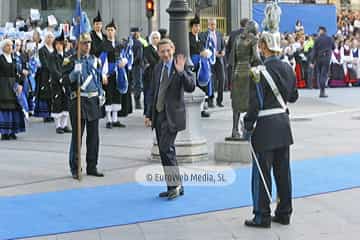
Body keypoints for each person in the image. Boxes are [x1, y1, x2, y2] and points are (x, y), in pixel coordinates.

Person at [243, 2, 298, 228]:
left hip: (264, 127)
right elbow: (293, 97)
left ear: (264, 47)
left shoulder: (258, 72)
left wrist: (247, 125)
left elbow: (254, 105)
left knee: (261, 174)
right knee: (283, 172)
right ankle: (284, 213)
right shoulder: (288, 68)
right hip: (283, 125)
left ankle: (262, 215)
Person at [144, 38, 195, 200]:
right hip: (158, 115)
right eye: (162, 51)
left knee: (167, 148)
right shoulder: (158, 67)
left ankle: (177, 185)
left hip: (172, 116)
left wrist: (181, 72)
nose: (165, 54)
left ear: (173, 50)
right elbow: (153, 91)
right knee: (163, 151)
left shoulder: (180, 65)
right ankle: (172, 185)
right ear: (158, 53)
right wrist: (148, 114)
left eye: (168, 50)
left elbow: (191, 86)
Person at [68, 33, 105, 180]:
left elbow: (97, 79)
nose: (87, 45)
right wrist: (73, 73)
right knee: (77, 137)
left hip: (93, 100)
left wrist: (101, 93)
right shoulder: (70, 60)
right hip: (79, 100)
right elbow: (64, 81)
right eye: (84, 43)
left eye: (89, 42)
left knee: (94, 137)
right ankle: (75, 167)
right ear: (78, 44)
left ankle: (92, 166)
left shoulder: (94, 60)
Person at [227, 20, 260, 140]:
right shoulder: (253, 39)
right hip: (248, 72)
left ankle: (234, 130)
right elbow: (256, 57)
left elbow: (232, 60)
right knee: (250, 101)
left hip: (236, 73)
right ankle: (248, 129)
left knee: (236, 103)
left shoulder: (237, 39)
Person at [98, 19, 126, 129]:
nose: (110, 32)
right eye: (108, 30)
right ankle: (108, 120)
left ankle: (115, 119)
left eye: (112, 30)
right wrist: (103, 74)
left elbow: (125, 56)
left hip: (118, 73)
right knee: (108, 95)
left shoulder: (119, 44)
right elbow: (101, 60)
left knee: (117, 94)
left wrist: (124, 62)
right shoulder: (103, 44)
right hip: (108, 73)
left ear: (115, 31)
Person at [0, 39, 26, 140]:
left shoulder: (14, 59)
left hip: (13, 85)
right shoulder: (0, 59)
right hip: (3, 85)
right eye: (8, 46)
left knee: (14, 108)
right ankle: (5, 132)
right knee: (4, 108)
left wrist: (20, 84)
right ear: (3, 47)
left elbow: (17, 73)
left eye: (11, 46)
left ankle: (12, 131)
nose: (10, 48)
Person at [189, 15, 211, 118]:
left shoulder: (202, 37)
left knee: (204, 86)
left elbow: (204, 48)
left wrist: (205, 53)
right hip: (194, 65)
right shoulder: (188, 37)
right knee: (195, 86)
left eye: (198, 26)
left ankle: (203, 108)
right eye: (195, 26)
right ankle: (196, 109)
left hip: (203, 65)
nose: (197, 28)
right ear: (191, 27)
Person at [49, 31, 71, 134]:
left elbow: (69, 67)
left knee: (66, 102)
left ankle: (64, 124)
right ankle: (58, 126)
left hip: (66, 83)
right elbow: (53, 69)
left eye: (60, 44)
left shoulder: (67, 55)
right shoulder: (52, 56)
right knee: (57, 103)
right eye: (56, 44)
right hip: (56, 83)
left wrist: (67, 78)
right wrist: (60, 78)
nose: (58, 46)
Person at [203, 18, 226, 108]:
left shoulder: (219, 34)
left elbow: (223, 45)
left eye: (214, 24)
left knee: (222, 79)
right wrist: (213, 53)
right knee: (211, 80)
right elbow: (204, 47)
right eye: (211, 24)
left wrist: (223, 51)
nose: (213, 26)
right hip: (209, 60)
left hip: (219, 60)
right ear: (208, 25)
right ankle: (210, 100)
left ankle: (219, 100)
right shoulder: (205, 35)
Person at [35, 31, 55, 122]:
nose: (50, 39)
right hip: (45, 74)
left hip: (54, 74)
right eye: (48, 37)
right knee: (45, 94)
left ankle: (52, 113)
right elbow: (44, 63)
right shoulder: (42, 50)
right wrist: (53, 69)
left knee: (53, 93)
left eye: (51, 37)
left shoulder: (54, 49)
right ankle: (46, 114)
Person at [310, 26, 334, 98]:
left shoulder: (317, 40)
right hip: (326, 58)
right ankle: (322, 92)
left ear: (321, 31)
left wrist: (312, 61)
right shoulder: (330, 39)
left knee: (320, 74)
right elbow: (334, 47)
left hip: (319, 59)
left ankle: (321, 91)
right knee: (324, 75)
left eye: (318, 31)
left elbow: (314, 51)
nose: (318, 32)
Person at [143, 31, 160, 116]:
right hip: (150, 74)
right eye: (153, 38)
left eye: (157, 38)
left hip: (159, 73)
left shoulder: (160, 48)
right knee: (149, 93)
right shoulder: (147, 49)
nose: (155, 40)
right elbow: (152, 61)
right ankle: (148, 113)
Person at [130, 27, 145, 109]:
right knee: (137, 84)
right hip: (137, 66)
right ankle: (137, 102)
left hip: (130, 65)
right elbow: (139, 56)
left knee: (133, 83)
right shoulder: (139, 43)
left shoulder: (128, 42)